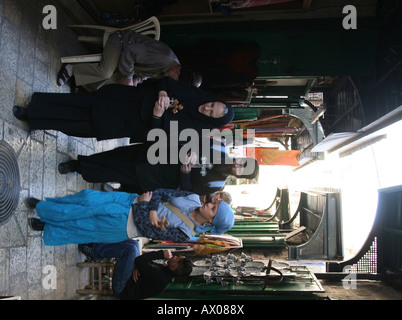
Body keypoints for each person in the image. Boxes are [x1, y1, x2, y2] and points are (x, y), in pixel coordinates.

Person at [12, 76, 234, 142]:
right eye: (212, 104)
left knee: (78, 125)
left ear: (210, 121)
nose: (207, 108)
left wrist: (157, 116)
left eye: (210, 113)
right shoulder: (195, 94)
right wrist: (163, 93)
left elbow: (157, 139)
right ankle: (33, 110)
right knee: (77, 103)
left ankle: (38, 122)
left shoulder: (193, 133)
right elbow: (165, 81)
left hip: (128, 123)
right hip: (126, 99)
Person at [26, 188, 235, 245]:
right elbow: (161, 192)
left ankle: (47, 226)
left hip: (123, 226)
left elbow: (149, 230)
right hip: (128, 201)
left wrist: (146, 206)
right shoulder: (192, 198)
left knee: (83, 227)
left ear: (211, 221)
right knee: (86, 199)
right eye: (215, 203)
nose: (210, 203)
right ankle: (45, 206)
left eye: (214, 209)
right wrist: (151, 208)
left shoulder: (185, 233)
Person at [57, 143, 259, 195]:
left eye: (242, 169)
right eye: (242, 161)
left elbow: (187, 190)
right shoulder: (219, 147)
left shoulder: (216, 184)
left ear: (240, 176)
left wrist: (186, 173)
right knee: (114, 155)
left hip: (155, 175)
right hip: (155, 152)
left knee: (113, 172)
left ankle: (77, 167)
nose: (237, 165)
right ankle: (82, 161)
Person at [57, 30, 182, 92]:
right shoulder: (165, 58)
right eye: (174, 77)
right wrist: (128, 76)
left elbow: (145, 75)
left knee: (117, 83)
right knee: (106, 72)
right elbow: (131, 51)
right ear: (177, 70)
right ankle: (70, 69)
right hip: (121, 44)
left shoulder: (167, 70)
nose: (169, 80)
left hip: (127, 62)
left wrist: (135, 80)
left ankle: (81, 84)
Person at [79, 241, 192, 299]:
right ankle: (95, 246)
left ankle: (94, 253)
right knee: (135, 244)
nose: (174, 257)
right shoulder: (166, 272)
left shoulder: (162, 277)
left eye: (176, 258)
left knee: (131, 249)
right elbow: (144, 263)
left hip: (122, 287)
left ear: (176, 265)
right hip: (129, 280)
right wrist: (139, 266)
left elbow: (140, 261)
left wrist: (161, 254)